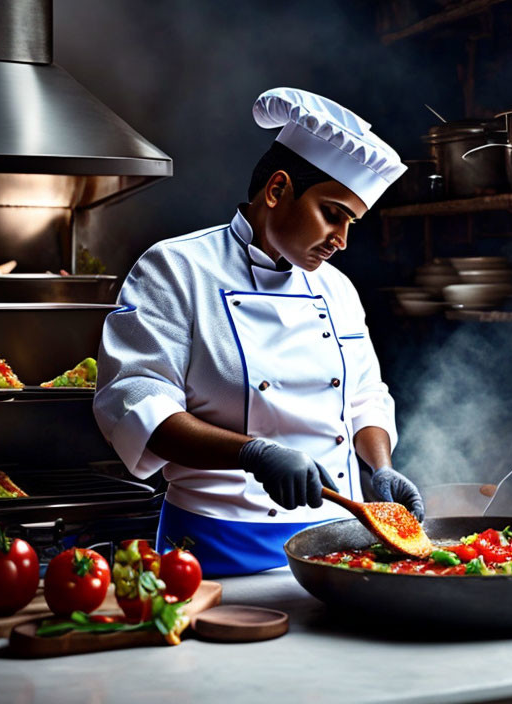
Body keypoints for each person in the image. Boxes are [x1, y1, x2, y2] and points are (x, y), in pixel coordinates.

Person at [93, 87, 424, 576]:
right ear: (276, 190)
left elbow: (363, 397)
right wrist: (253, 453)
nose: (342, 240)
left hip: (337, 541)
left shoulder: (336, 289)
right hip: (213, 547)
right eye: (333, 214)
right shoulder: (177, 268)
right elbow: (136, 401)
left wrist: (381, 468)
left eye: (352, 222)